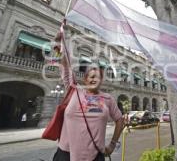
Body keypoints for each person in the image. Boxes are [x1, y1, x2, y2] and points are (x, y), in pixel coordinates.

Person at [52, 32, 124, 161]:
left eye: (98, 77)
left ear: (102, 80)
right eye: (91, 76)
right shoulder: (74, 91)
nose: (94, 79)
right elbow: (65, 66)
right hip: (65, 155)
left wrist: (113, 144)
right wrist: (59, 44)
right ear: (85, 79)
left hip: (95, 155)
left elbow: (120, 120)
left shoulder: (108, 99)